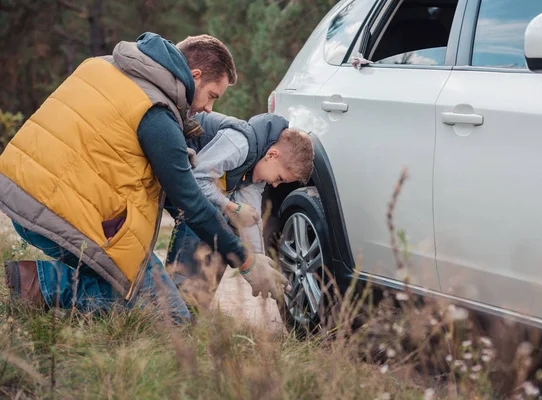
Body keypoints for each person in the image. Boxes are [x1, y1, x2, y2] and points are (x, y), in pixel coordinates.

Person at [0, 32, 289, 323]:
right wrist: (247, 263)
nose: (208, 108)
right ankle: (31, 282)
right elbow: (191, 202)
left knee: (140, 291)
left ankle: (43, 288)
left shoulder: (103, 65)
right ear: (195, 76)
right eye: (212, 95)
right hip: (58, 214)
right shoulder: (156, 114)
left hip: (20, 192)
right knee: (172, 317)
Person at [165, 111, 314, 291]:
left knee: (228, 229)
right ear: (272, 155)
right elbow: (194, 180)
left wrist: (259, 262)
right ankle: (181, 295)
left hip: (177, 186)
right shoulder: (240, 143)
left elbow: (250, 219)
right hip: (162, 170)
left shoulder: (256, 173)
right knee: (207, 217)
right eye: (279, 178)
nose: (275, 185)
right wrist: (230, 206)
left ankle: (198, 304)